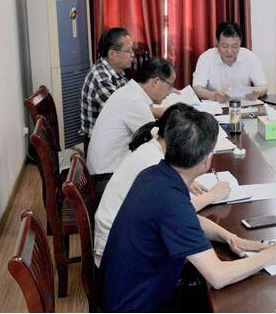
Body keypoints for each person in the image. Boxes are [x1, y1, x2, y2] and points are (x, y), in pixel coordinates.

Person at [100, 105, 276, 312]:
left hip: (125, 295)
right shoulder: (171, 202)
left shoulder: (153, 174)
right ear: (207, 158)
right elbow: (218, 276)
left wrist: (230, 237)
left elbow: (187, 219)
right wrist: (272, 255)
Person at [93, 103, 232, 267]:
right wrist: (212, 195)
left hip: (121, 241)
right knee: (204, 256)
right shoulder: (153, 162)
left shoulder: (152, 149)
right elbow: (177, 211)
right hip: (116, 253)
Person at [87, 57, 176, 185]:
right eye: (170, 86)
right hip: (107, 179)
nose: (170, 92)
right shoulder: (135, 102)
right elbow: (157, 146)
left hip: (105, 171)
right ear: (156, 81)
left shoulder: (130, 92)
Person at [80, 27, 134, 151]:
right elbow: (122, 111)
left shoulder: (116, 71)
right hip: (99, 146)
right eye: (128, 51)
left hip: (110, 137)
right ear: (112, 54)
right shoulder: (100, 77)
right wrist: (155, 111)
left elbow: (131, 98)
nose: (132, 54)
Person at [192, 21, 268, 102]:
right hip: (215, 105)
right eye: (225, 46)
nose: (229, 51)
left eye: (235, 46)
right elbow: (197, 88)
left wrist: (257, 92)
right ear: (217, 43)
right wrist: (214, 95)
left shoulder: (250, 57)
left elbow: (263, 86)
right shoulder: (206, 58)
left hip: (244, 105)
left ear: (240, 43)